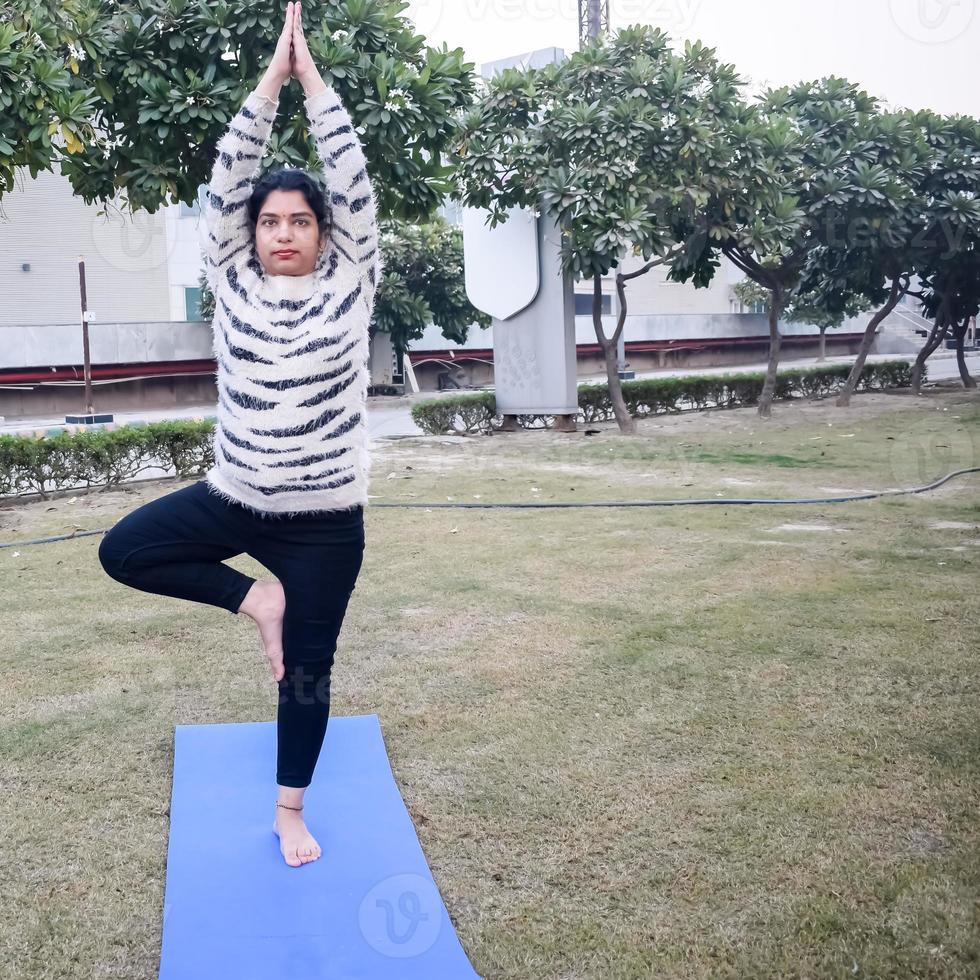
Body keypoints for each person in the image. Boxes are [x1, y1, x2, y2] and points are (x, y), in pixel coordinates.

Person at [97, 1, 381, 869]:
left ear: (326, 234)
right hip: (235, 503)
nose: (283, 232)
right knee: (124, 551)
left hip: (326, 527)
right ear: (248, 234)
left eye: (300, 221)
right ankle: (254, 599)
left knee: (307, 672)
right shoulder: (230, 277)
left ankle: (289, 809)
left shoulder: (354, 277)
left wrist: (314, 80)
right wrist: (270, 80)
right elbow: (228, 176)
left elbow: (352, 170)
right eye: (270, 221)